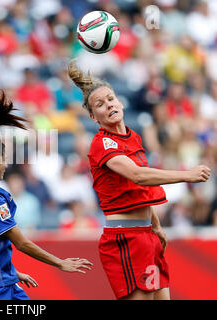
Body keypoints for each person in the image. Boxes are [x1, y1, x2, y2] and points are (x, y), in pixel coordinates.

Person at [67, 59, 211, 300]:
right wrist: (187, 175)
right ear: (94, 117)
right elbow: (138, 176)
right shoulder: (102, 143)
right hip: (125, 239)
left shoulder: (133, 137)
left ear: (120, 102)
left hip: (147, 236)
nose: (109, 105)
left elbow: (136, 188)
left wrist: (155, 224)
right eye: (100, 105)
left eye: (111, 99)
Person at [0, 90, 93, 300]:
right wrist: (60, 263)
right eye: (3, 159)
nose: (5, 165)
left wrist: (12, 272)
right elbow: (21, 243)